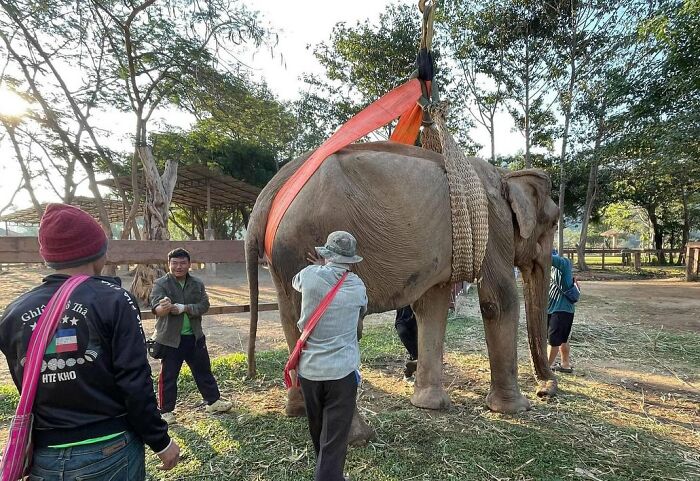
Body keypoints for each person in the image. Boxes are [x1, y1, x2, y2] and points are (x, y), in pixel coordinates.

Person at [0, 204, 180, 480]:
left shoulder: (14, 312)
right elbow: (134, 381)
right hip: (110, 450)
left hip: (43, 456)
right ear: (98, 253)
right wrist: (160, 441)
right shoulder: (114, 299)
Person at [293, 231, 368, 481]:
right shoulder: (357, 286)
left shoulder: (309, 276)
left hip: (310, 371)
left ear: (326, 254)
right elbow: (362, 309)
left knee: (317, 426)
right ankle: (328, 475)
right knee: (335, 436)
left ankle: (325, 470)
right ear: (351, 261)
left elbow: (296, 282)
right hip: (342, 372)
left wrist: (318, 268)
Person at [150, 248, 232, 424]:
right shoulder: (161, 284)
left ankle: (213, 402)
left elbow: (204, 305)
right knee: (168, 376)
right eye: (175, 263)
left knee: (204, 371)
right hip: (171, 339)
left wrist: (185, 308)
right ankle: (166, 411)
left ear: (188, 264)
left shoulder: (196, 283)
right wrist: (163, 308)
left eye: (182, 263)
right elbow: (155, 307)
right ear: (169, 264)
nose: (178, 267)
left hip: (194, 337)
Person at [548, 249, 576, 373]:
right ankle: (565, 365)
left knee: (553, 340)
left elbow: (546, 256)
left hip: (562, 310)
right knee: (562, 339)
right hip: (558, 309)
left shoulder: (563, 263)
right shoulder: (551, 272)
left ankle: (546, 368)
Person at [394, 306, 418, 381]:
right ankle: (417, 359)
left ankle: (408, 374)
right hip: (402, 319)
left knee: (418, 344)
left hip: (418, 320)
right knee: (403, 332)